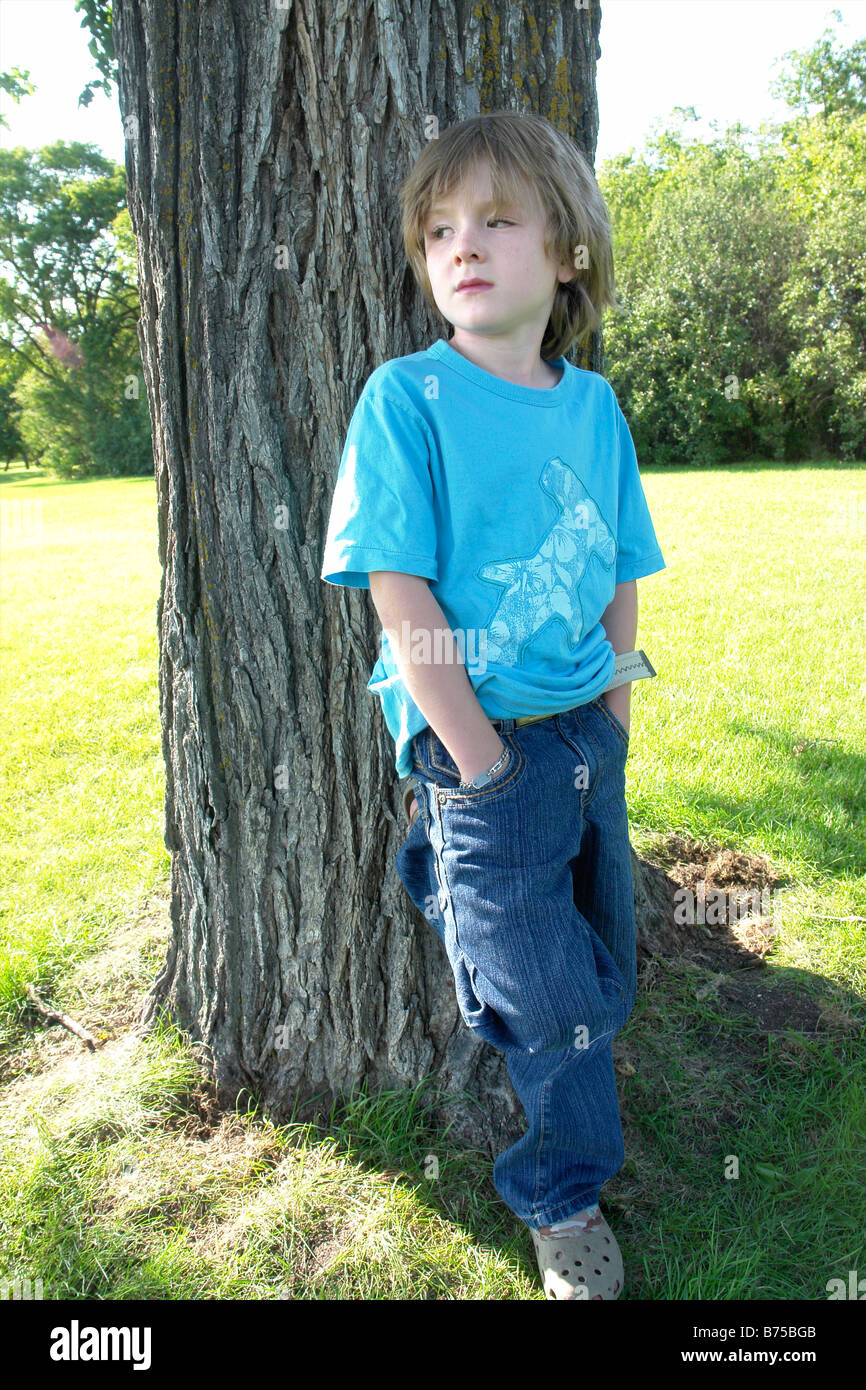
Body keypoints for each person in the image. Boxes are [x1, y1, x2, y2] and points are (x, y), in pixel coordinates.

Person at [319, 109, 666, 1300]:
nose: (461, 244)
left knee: (608, 961)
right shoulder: (406, 399)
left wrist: (615, 708)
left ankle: (449, 878)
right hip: (483, 748)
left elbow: (621, 563)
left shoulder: (594, 407)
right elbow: (394, 579)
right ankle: (560, 1193)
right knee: (549, 996)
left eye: (497, 220)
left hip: (585, 734)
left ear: (566, 254)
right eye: (438, 229)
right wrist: (472, 755)